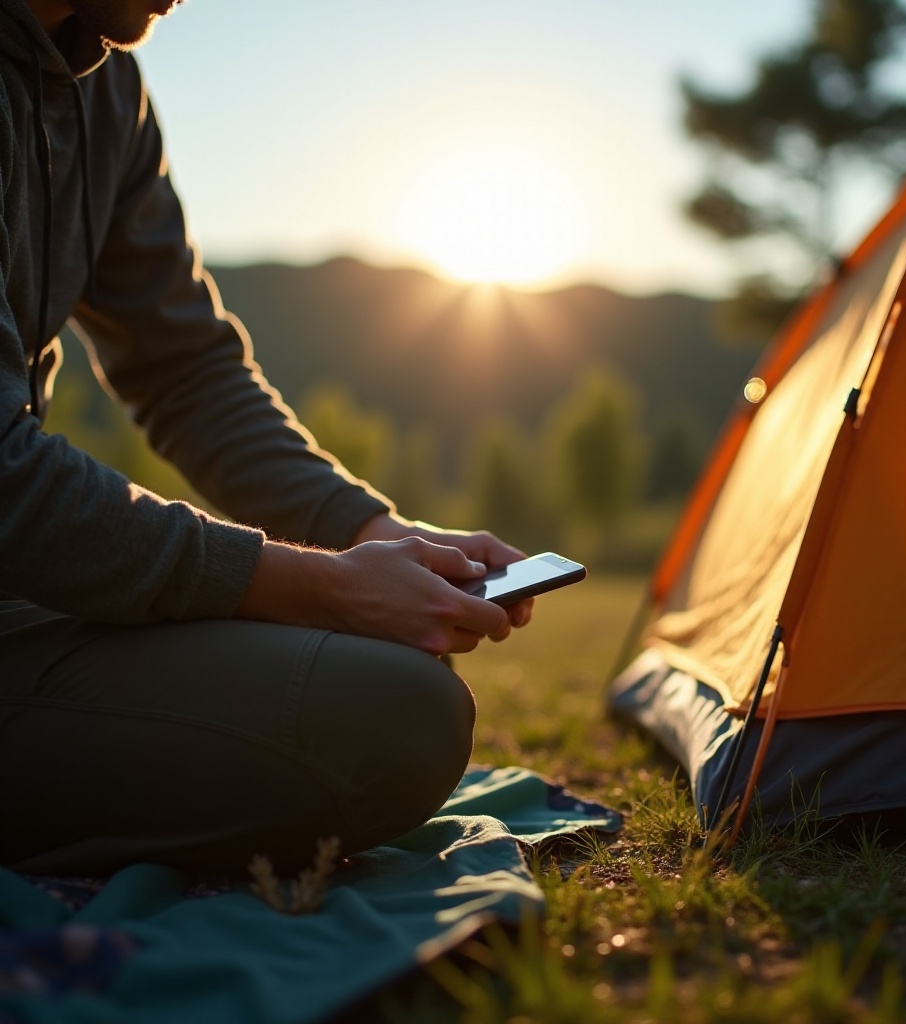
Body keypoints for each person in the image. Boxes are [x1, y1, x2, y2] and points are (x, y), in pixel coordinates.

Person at [0, 0, 533, 875]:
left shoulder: (106, 87)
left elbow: (186, 371)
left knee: (392, 699)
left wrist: (374, 536)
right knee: (395, 719)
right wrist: (323, 589)